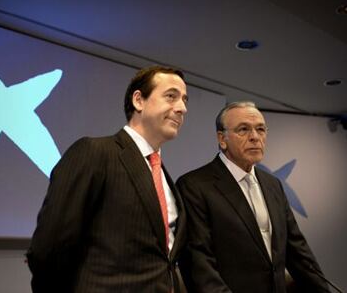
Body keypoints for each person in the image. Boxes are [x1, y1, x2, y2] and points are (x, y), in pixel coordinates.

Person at [27, 66, 189, 292]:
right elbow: (50, 246)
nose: (182, 108)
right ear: (139, 100)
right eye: (171, 96)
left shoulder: (162, 173)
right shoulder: (94, 152)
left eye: (184, 100)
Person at [176, 101, 330, 293]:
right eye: (243, 129)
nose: (255, 137)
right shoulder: (194, 185)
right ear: (222, 139)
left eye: (260, 129)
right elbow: (199, 264)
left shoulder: (273, 185)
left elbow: (298, 253)